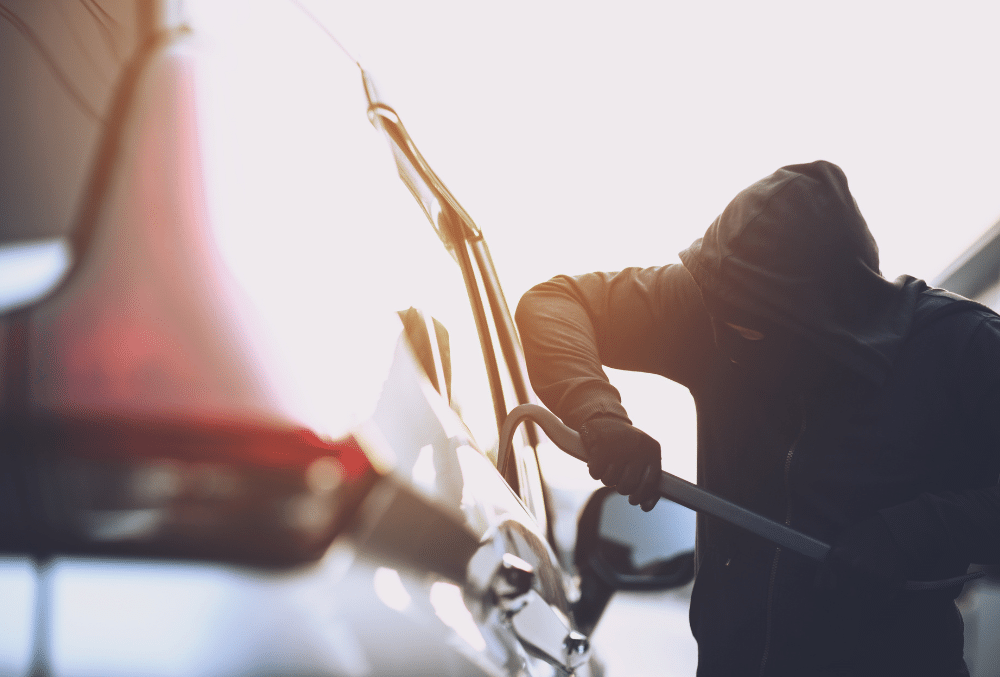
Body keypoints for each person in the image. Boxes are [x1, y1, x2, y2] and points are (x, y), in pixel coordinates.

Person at [514, 160, 1000, 676]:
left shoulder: (962, 348)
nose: (721, 339)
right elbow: (555, 301)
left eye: (746, 329)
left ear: (821, 314)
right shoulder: (715, 303)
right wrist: (599, 414)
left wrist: (918, 530)